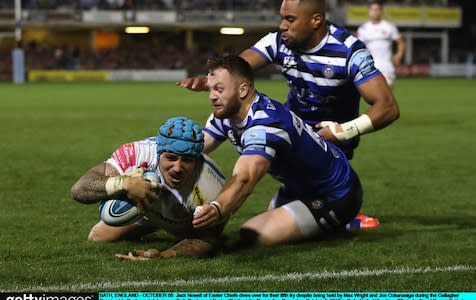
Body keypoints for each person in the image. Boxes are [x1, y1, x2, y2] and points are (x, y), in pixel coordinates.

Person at [177, 0, 400, 230]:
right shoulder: (278, 42)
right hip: (292, 131)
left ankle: (342, 214)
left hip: (331, 138)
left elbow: (387, 108)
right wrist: (211, 81)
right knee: (275, 213)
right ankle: (329, 213)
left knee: (320, 188)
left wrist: (343, 131)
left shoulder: (349, 51)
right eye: (282, 18)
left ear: (316, 20)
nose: (282, 25)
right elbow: (237, 70)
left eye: (290, 19)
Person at [192, 55, 363, 246]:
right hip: (296, 187)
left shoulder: (266, 124)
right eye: (211, 89)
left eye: (219, 89)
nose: (212, 96)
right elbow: (196, 148)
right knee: (261, 227)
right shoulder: (227, 112)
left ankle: (341, 223)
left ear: (243, 90)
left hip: (335, 194)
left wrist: (217, 208)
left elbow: (245, 179)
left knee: (251, 234)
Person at [71, 116, 228, 260]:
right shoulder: (136, 154)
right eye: (171, 158)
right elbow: (79, 190)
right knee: (98, 235)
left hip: (184, 222)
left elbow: (208, 240)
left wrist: (165, 254)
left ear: (197, 160)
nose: (178, 167)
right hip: (146, 209)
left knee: (191, 237)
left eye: (187, 160)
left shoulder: (212, 186)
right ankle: (150, 223)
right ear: (159, 153)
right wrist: (124, 183)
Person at [357, 0, 406, 86]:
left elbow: (400, 42)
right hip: (370, 67)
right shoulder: (363, 29)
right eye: (373, 9)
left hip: (387, 67)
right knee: (374, 96)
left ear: (381, 11)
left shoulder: (389, 26)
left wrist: (399, 55)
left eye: (377, 9)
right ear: (369, 12)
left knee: (386, 95)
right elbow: (358, 48)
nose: (375, 12)